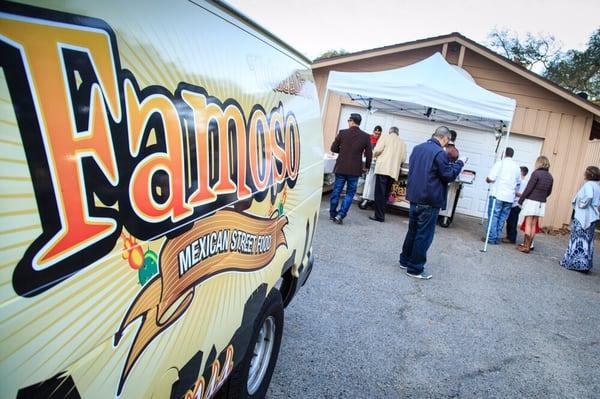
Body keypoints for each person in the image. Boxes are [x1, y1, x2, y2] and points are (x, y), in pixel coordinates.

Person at [399, 126, 464, 279]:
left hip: (415, 197)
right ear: (446, 138)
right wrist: (460, 163)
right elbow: (448, 175)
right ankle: (415, 268)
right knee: (424, 235)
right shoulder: (439, 153)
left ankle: (405, 260)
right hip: (429, 199)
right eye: (448, 141)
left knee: (413, 231)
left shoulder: (417, 148)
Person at [329, 113, 372, 224]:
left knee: (337, 191)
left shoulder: (342, 133)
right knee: (350, 193)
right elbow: (369, 154)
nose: (348, 122)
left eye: (348, 120)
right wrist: (367, 167)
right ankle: (341, 215)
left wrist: (343, 151)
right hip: (355, 170)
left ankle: (332, 214)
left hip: (341, 167)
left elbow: (333, 148)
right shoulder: (366, 136)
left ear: (352, 121)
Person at [560, 166, 600, 272]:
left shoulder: (588, 185)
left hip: (583, 216)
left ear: (588, 174)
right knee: (587, 241)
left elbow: (589, 196)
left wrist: (582, 204)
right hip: (592, 217)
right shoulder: (597, 186)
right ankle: (585, 265)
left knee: (577, 240)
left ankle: (573, 263)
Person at [483, 147, 521, 244]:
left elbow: (491, 178)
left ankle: (491, 238)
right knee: (502, 218)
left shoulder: (500, 163)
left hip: (498, 194)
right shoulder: (517, 167)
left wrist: (487, 179)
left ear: (504, 154)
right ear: (512, 155)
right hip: (509, 197)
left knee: (494, 216)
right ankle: (495, 237)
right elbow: (518, 183)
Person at [369, 126, 407, 222]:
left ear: (390, 132)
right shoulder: (402, 143)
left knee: (379, 193)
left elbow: (377, 150)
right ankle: (381, 214)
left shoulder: (385, 137)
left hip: (383, 169)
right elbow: (403, 158)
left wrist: (374, 156)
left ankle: (379, 216)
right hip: (393, 172)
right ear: (397, 133)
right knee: (386, 194)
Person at [517, 155, 553, 253]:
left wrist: (521, 200)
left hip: (532, 200)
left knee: (528, 222)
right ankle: (529, 246)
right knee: (534, 223)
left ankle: (526, 246)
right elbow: (549, 192)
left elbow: (529, 188)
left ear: (539, 163)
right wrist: (542, 196)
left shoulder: (536, 173)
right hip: (542, 202)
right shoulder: (550, 176)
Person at [503, 166, 529, 244]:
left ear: (521, 172)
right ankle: (508, 236)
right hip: (513, 203)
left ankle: (512, 238)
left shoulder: (523, 182)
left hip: (517, 204)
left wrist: (512, 191)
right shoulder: (519, 181)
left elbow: (522, 194)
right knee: (509, 220)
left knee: (513, 222)